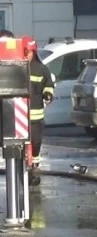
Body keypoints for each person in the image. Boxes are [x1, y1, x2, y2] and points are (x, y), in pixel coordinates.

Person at [21, 36, 54, 186]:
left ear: (34, 52)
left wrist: (48, 94)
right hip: (18, 117)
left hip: (35, 116)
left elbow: (49, 84)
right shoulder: (16, 67)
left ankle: (34, 169)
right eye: (24, 51)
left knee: (35, 143)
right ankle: (21, 169)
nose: (26, 54)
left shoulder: (41, 69)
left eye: (29, 51)